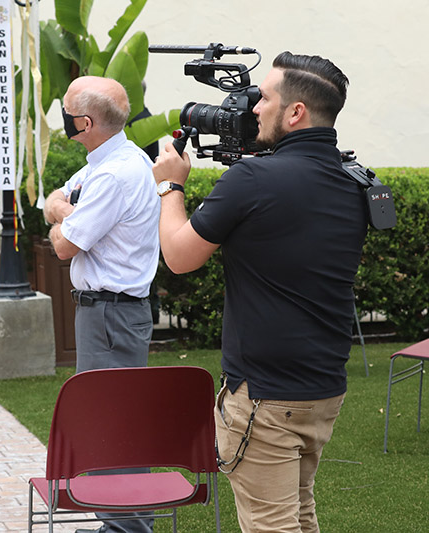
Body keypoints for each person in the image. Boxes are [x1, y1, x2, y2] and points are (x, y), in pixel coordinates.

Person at [153, 52, 367, 532]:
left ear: (295, 113)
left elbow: (180, 256)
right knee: (298, 516)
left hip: (266, 396)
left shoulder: (251, 180)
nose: (251, 109)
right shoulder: (354, 182)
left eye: (264, 98)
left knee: (272, 526)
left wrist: (170, 185)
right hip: (323, 389)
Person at [43, 75, 160, 533]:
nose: (66, 119)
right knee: (109, 415)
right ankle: (122, 524)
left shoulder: (113, 173)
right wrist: (68, 215)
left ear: (85, 122)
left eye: (69, 112)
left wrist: (67, 223)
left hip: (112, 312)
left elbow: (64, 246)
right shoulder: (109, 159)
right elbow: (53, 201)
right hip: (106, 311)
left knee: (116, 420)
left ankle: (129, 527)